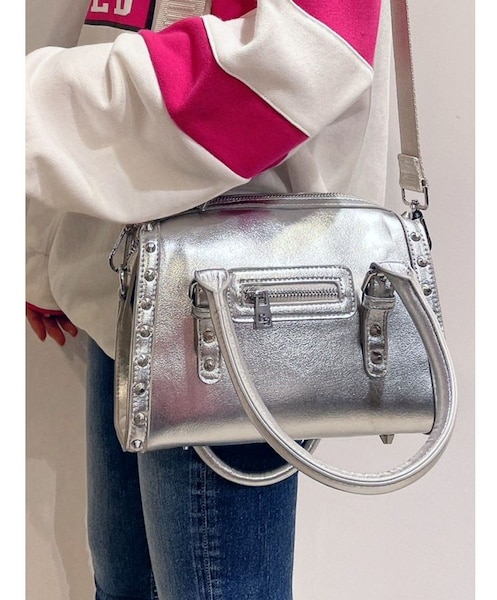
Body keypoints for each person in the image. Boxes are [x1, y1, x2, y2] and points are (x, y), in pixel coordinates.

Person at [26, 1, 391, 598]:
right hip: (120, 282)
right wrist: (43, 250)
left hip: (243, 311)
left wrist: (27, 114)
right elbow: (111, 26)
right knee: (123, 585)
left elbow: (297, 58)